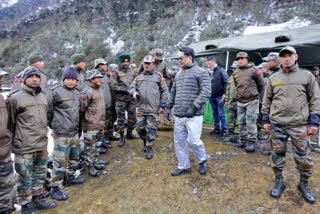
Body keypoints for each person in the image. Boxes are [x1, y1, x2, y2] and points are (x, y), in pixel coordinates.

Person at [262, 46, 320, 204]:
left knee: (303, 157)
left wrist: (314, 121)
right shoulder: (274, 78)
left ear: (296, 57)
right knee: (277, 154)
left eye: (289, 55)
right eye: (283, 56)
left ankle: (304, 183)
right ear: (279, 59)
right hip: (277, 124)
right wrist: (266, 120)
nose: (286, 58)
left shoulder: (306, 76)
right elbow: (266, 100)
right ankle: (279, 180)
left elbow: (315, 99)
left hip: (299, 124)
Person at [7, 67, 57, 213]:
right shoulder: (14, 98)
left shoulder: (43, 96)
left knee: (39, 174)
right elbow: (9, 123)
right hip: (24, 146)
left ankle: (38, 198)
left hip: (41, 144)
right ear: (24, 79)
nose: (35, 79)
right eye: (31, 76)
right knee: (24, 178)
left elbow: (46, 117)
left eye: (37, 76)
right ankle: (25, 205)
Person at [166, 47, 211, 176]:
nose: (179, 61)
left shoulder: (201, 72)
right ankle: (184, 166)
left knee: (193, 141)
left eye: (181, 58)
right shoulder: (179, 74)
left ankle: (202, 160)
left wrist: (194, 106)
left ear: (190, 57)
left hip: (194, 115)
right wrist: (168, 107)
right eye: (178, 58)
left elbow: (206, 91)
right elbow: (173, 91)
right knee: (179, 142)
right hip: (179, 114)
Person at [47, 67, 86, 201]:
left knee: (74, 158)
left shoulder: (77, 92)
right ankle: (55, 188)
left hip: (74, 131)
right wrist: (53, 126)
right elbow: (48, 111)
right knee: (60, 162)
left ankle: (70, 178)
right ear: (63, 79)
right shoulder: (55, 92)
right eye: (68, 79)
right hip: (61, 133)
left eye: (73, 79)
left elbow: (79, 111)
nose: (70, 82)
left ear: (76, 81)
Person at [129, 55, 169, 160]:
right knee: (139, 128)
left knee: (151, 130)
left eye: (149, 63)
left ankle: (149, 148)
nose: (147, 65)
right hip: (141, 108)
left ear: (152, 64)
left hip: (153, 108)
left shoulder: (158, 76)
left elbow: (165, 91)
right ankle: (145, 141)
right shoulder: (139, 77)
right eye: (145, 63)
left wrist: (163, 105)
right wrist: (134, 92)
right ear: (143, 64)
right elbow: (132, 88)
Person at [232, 52, 264, 153]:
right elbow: (237, 85)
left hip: (252, 100)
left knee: (250, 122)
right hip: (240, 101)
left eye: (243, 58)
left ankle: (251, 142)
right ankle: (243, 140)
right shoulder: (235, 72)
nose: (241, 60)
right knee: (241, 122)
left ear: (247, 59)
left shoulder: (254, 70)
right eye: (238, 59)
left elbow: (261, 84)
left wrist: (255, 94)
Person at [80, 70, 106, 177]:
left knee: (97, 146)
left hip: (100, 123)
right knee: (90, 148)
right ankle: (89, 166)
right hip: (90, 125)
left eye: (100, 77)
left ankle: (94, 162)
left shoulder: (99, 89)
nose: (100, 79)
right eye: (97, 77)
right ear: (91, 79)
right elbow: (81, 109)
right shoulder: (87, 92)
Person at [110, 54, 139, 147]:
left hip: (131, 99)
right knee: (121, 119)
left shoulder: (132, 71)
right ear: (120, 62)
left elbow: (136, 82)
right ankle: (122, 136)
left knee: (133, 118)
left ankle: (129, 133)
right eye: (124, 62)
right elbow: (113, 86)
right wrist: (122, 89)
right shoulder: (115, 72)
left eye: (127, 61)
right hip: (120, 99)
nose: (126, 63)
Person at [0, 70, 14, 214]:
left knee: (6, 185)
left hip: (4, 151)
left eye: (1, 77)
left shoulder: (2, 99)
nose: (1, 80)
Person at [206, 56, 229, 137]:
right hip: (211, 96)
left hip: (220, 96)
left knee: (221, 113)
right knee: (215, 113)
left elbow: (227, 82)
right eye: (207, 64)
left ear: (213, 62)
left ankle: (224, 129)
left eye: (209, 64)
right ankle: (217, 128)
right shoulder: (209, 72)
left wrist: (225, 93)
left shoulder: (221, 71)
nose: (208, 65)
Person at [94, 58, 112, 152]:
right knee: (99, 126)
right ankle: (98, 146)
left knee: (104, 125)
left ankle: (102, 141)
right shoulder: (94, 75)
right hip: (99, 106)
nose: (106, 66)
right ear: (99, 65)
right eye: (104, 64)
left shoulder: (104, 75)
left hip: (106, 104)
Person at [224, 61, 238, 143]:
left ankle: (242, 137)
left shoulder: (243, 77)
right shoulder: (230, 78)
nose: (234, 70)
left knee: (242, 121)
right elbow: (228, 90)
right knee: (230, 119)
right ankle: (230, 135)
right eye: (233, 68)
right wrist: (226, 100)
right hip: (231, 103)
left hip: (240, 102)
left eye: (235, 68)